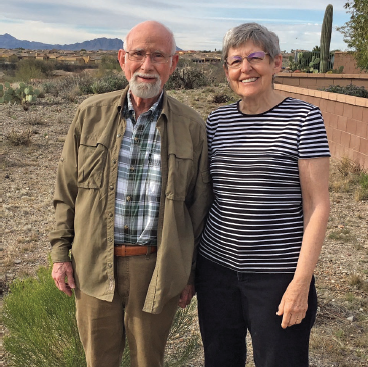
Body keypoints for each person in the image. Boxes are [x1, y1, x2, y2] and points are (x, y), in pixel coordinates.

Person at [50, 20, 212, 367]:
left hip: (156, 270)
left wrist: (189, 273)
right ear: (123, 59)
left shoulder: (192, 126)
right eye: (138, 54)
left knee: (147, 362)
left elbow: (198, 208)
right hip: (93, 264)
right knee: (99, 360)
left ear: (174, 63)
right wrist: (61, 253)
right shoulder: (89, 114)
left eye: (158, 55)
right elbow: (67, 188)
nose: (147, 65)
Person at [195, 22, 331, 367]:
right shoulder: (217, 122)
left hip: (277, 276)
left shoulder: (303, 118)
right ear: (226, 70)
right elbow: (207, 196)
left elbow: (317, 204)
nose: (246, 68)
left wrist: (301, 283)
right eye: (235, 61)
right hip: (216, 272)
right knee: (220, 359)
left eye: (255, 57)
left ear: (276, 63)